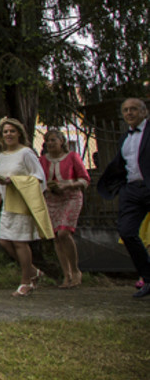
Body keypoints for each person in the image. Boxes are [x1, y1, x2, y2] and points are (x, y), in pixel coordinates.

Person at [0, 117, 53, 297]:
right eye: (5, 132)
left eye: (12, 131)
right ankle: (33, 271)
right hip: (7, 204)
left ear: (19, 133)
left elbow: (39, 178)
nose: (9, 134)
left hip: (22, 202)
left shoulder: (26, 153)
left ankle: (26, 282)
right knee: (5, 241)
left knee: (20, 242)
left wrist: (15, 181)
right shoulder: (1, 156)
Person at [98, 97, 150, 299]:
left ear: (144, 112)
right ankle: (147, 278)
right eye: (126, 110)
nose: (129, 113)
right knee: (127, 232)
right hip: (131, 190)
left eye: (134, 109)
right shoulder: (124, 138)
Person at [39, 129, 89, 288]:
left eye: (54, 140)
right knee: (56, 236)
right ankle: (66, 275)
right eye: (48, 140)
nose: (51, 143)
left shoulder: (72, 157)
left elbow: (84, 179)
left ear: (62, 142)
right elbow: (39, 180)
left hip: (71, 196)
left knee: (64, 232)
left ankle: (75, 270)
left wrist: (68, 184)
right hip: (52, 198)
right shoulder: (42, 160)